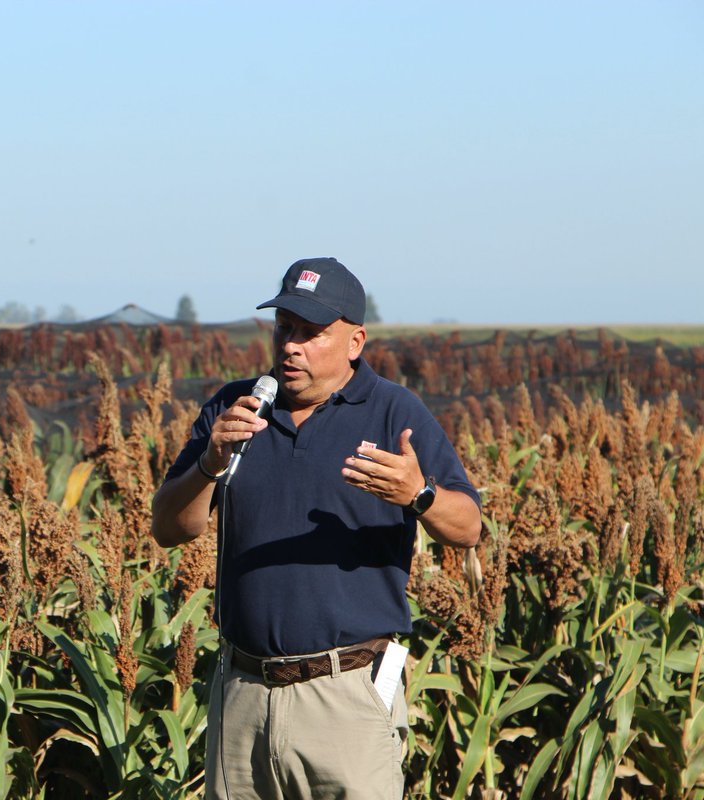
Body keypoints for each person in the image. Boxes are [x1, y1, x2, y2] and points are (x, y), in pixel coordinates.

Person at [151, 257, 481, 800]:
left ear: (355, 341)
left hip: (345, 697)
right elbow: (169, 528)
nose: (291, 346)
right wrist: (210, 462)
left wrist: (417, 494)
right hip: (243, 694)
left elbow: (467, 528)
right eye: (284, 327)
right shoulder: (235, 408)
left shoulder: (393, 411)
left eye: (311, 333)